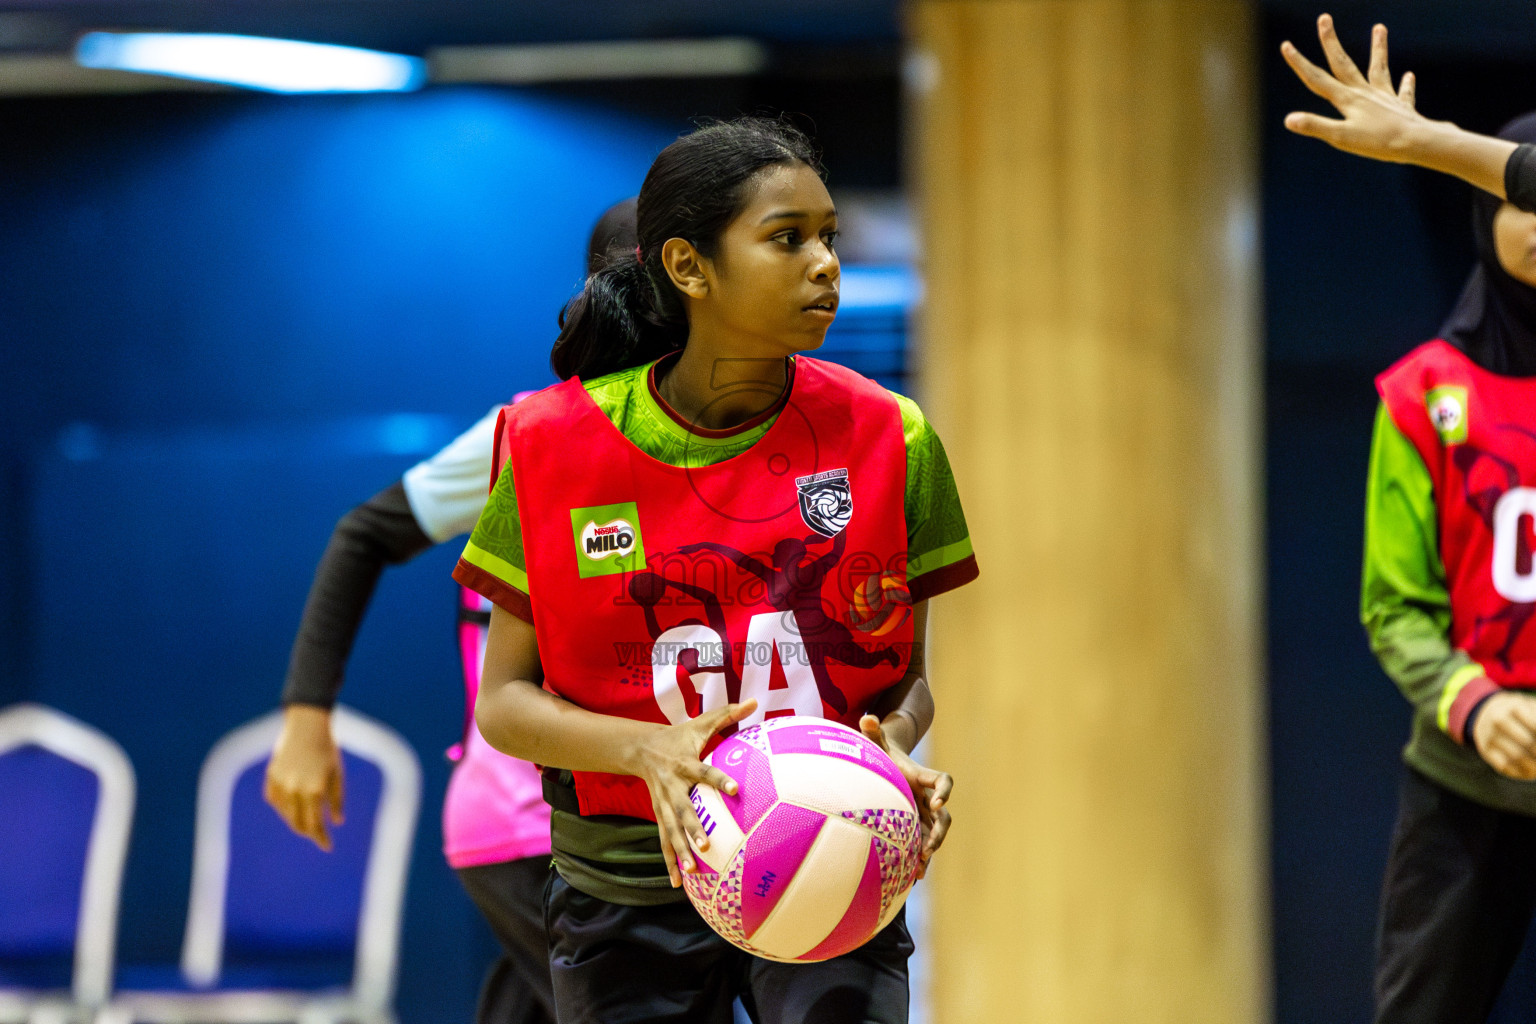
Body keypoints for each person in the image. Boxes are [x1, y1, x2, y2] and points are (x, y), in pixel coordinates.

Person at [451, 117, 978, 1024]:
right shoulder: (545, 445)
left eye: (829, 237)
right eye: (787, 238)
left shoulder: (893, 434)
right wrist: (642, 749)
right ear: (689, 267)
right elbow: (503, 703)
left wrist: (891, 755)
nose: (825, 263)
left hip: (837, 856)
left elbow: (910, 680)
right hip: (621, 878)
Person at [263, 200, 639, 1024]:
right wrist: (305, 715)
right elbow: (364, 532)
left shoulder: (720, 452)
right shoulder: (526, 435)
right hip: (536, 823)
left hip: (622, 819)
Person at [1284, 16, 1536, 1023]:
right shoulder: (1425, 390)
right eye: (1517, 197)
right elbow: (1396, 605)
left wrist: (1428, 141)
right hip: (1466, 779)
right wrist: (1477, 704)